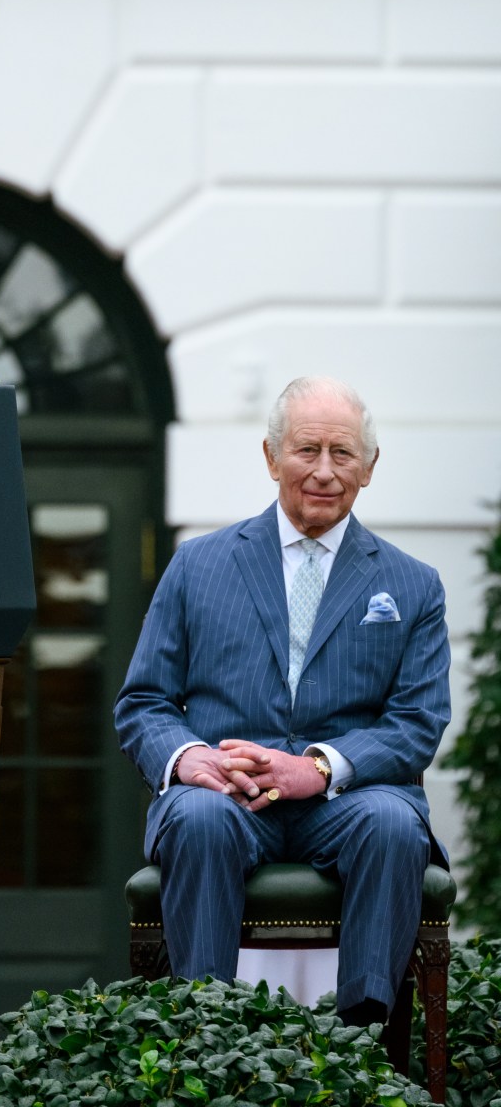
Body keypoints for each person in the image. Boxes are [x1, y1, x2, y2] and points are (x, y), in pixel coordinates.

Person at [114, 376, 450, 1027]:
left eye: (343, 453)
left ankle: (367, 1042)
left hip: (349, 801)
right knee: (199, 817)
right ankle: (203, 1036)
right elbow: (144, 701)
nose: (324, 471)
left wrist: (318, 767)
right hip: (226, 794)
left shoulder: (413, 584)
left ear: (369, 468)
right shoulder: (197, 566)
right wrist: (189, 760)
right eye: (306, 450)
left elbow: (416, 724)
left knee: (391, 824)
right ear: (271, 457)